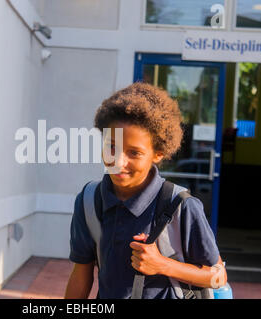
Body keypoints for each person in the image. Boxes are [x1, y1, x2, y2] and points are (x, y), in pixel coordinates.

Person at [64, 82, 227, 299]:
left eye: (134, 153)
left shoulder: (181, 205)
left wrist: (162, 265)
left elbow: (218, 276)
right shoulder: (89, 201)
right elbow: (81, 275)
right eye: (112, 146)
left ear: (158, 154)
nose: (118, 161)